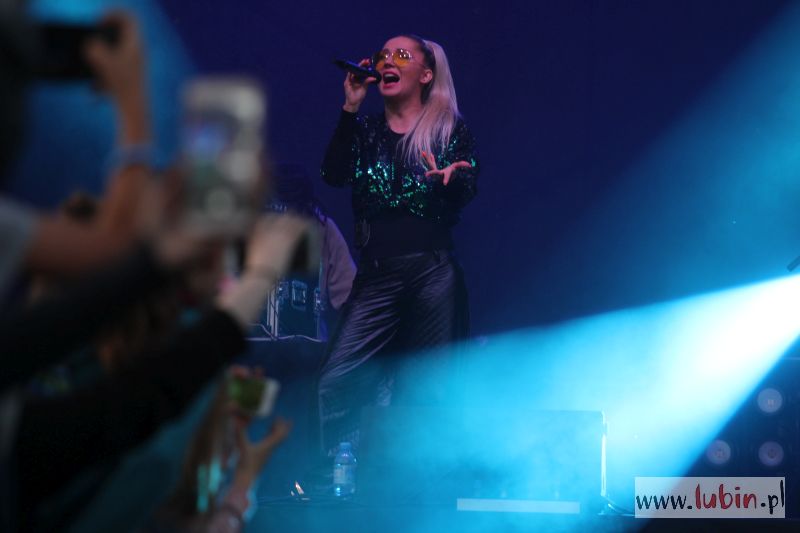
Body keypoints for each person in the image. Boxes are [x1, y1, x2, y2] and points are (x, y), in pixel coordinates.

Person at [317, 34, 479, 456]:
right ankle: (334, 474)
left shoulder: (448, 129)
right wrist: (350, 107)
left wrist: (450, 181)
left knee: (426, 389)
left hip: (432, 273)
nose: (388, 61)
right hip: (377, 274)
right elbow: (333, 174)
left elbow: (467, 183)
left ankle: (417, 480)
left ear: (425, 75)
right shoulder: (366, 130)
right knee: (337, 380)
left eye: (402, 55)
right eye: (383, 55)